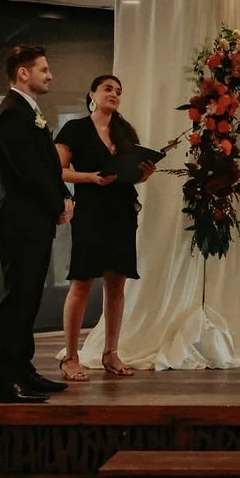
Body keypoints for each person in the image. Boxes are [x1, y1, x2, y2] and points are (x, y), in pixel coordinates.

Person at [54, 74, 155, 381]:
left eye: (119, 91)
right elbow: (57, 171)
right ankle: (71, 357)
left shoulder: (125, 131)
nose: (114, 94)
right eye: (108, 89)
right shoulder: (74, 129)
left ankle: (110, 353)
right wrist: (91, 178)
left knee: (117, 285)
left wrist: (144, 174)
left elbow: (129, 175)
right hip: (91, 212)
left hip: (122, 210)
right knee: (82, 283)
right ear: (92, 94)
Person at [0, 44, 73, 404]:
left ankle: (24, 370)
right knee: (17, 301)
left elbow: (48, 167)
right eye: (43, 69)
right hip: (21, 221)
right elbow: (28, 172)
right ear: (22, 73)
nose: (50, 75)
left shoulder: (29, 112)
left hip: (35, 220)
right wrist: (57, 202)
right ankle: (4, 381)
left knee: (30, 299)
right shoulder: (11, 114)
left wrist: (64, 196)